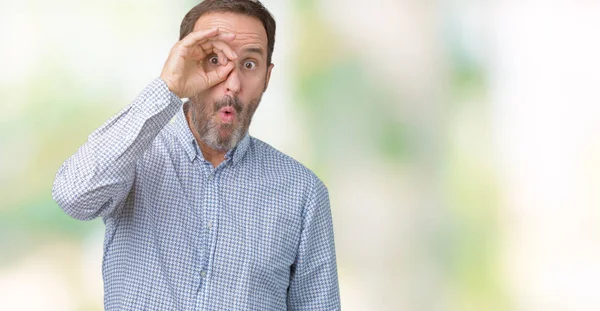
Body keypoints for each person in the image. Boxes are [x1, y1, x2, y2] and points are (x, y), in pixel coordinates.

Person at [51, 0, 340, 310]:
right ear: (185, 61)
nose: (231, 84)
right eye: (213, 59)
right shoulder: (134, 155)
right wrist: (168, 88)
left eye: (249, 64)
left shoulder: (303, 193)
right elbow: (73, 196)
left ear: (267, 78)